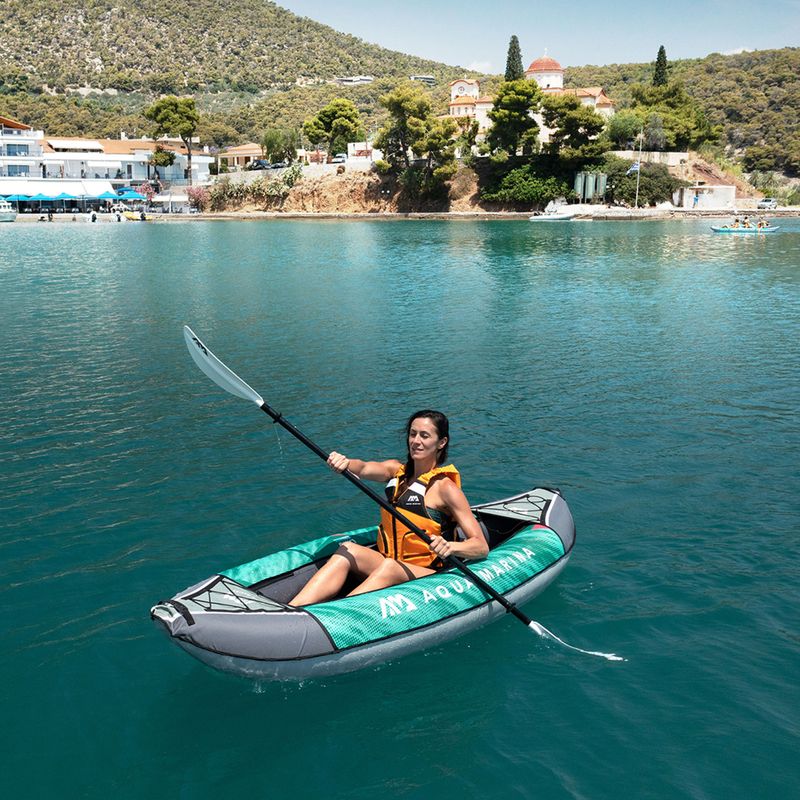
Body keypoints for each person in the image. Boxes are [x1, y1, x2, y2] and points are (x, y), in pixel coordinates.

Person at [290, 410, 489, 606]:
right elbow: (364, 468)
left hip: (429, 573)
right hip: (389, 560)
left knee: (390, 567)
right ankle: (294, 609)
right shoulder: (396, 471)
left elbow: (480, 546)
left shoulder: (445, 488)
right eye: (413, 434)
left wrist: (451, 547)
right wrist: (346, 463)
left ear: (441, 442)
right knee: (348, 550)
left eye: (425, 435)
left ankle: (336, 615)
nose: (416, 441)